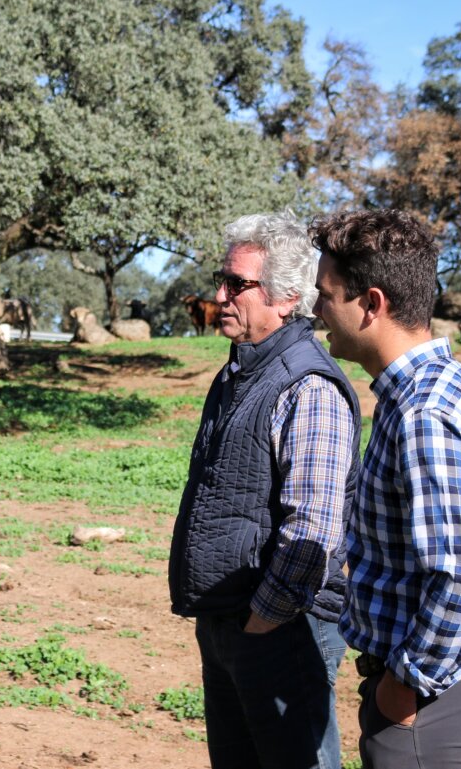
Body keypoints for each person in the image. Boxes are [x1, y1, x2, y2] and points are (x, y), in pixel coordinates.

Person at [310, 209, 461, 769]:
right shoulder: (441, 389)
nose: (317, 312)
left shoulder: (424, 413)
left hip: (439, 695)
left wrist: (405, 686)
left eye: (327, 294)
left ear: (372, 303)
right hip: (454, 681)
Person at [169, 211, 360, 769]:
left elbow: (314, 530)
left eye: (237, 284)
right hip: (231, 621)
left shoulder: (308, 386)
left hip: (283, 631)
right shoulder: (239, 372)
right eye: (221, 279)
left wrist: (261, 623)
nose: (220, 295)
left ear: (287, 299)